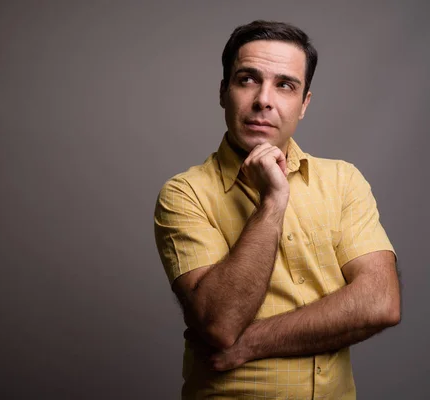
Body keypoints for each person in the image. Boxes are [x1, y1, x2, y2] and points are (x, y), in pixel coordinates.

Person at [153, 20, 401, 399]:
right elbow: (220, 325)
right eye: (248, 79)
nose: (264, 100)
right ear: (224, 92)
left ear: (304, 105)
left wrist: (252, 343)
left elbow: (381, 301)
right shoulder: (185, 194)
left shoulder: (343, 181)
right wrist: (273, 201)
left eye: (285, 85)